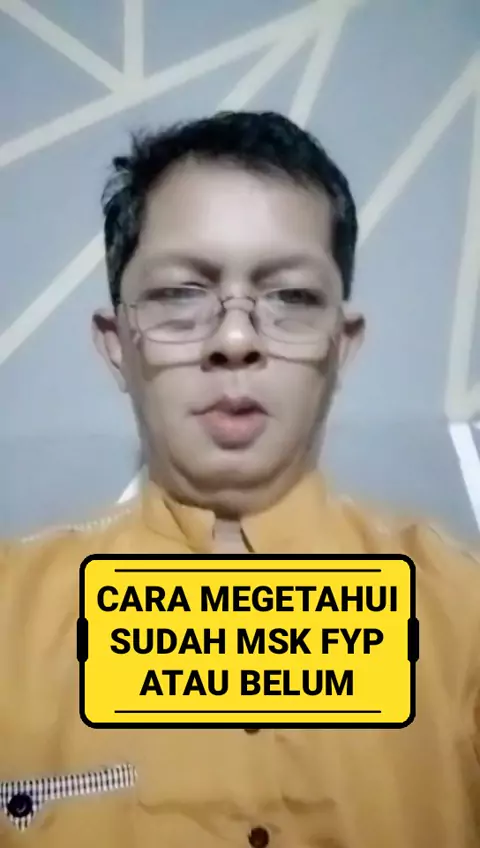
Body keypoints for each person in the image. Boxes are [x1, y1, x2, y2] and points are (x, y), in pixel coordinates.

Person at [0, 110, 479, 848]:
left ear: (342, 345)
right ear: (116, 344)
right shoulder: (10, 618)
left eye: (291, 298)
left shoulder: (464, 620)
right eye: (179, 294)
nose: (234, 339)